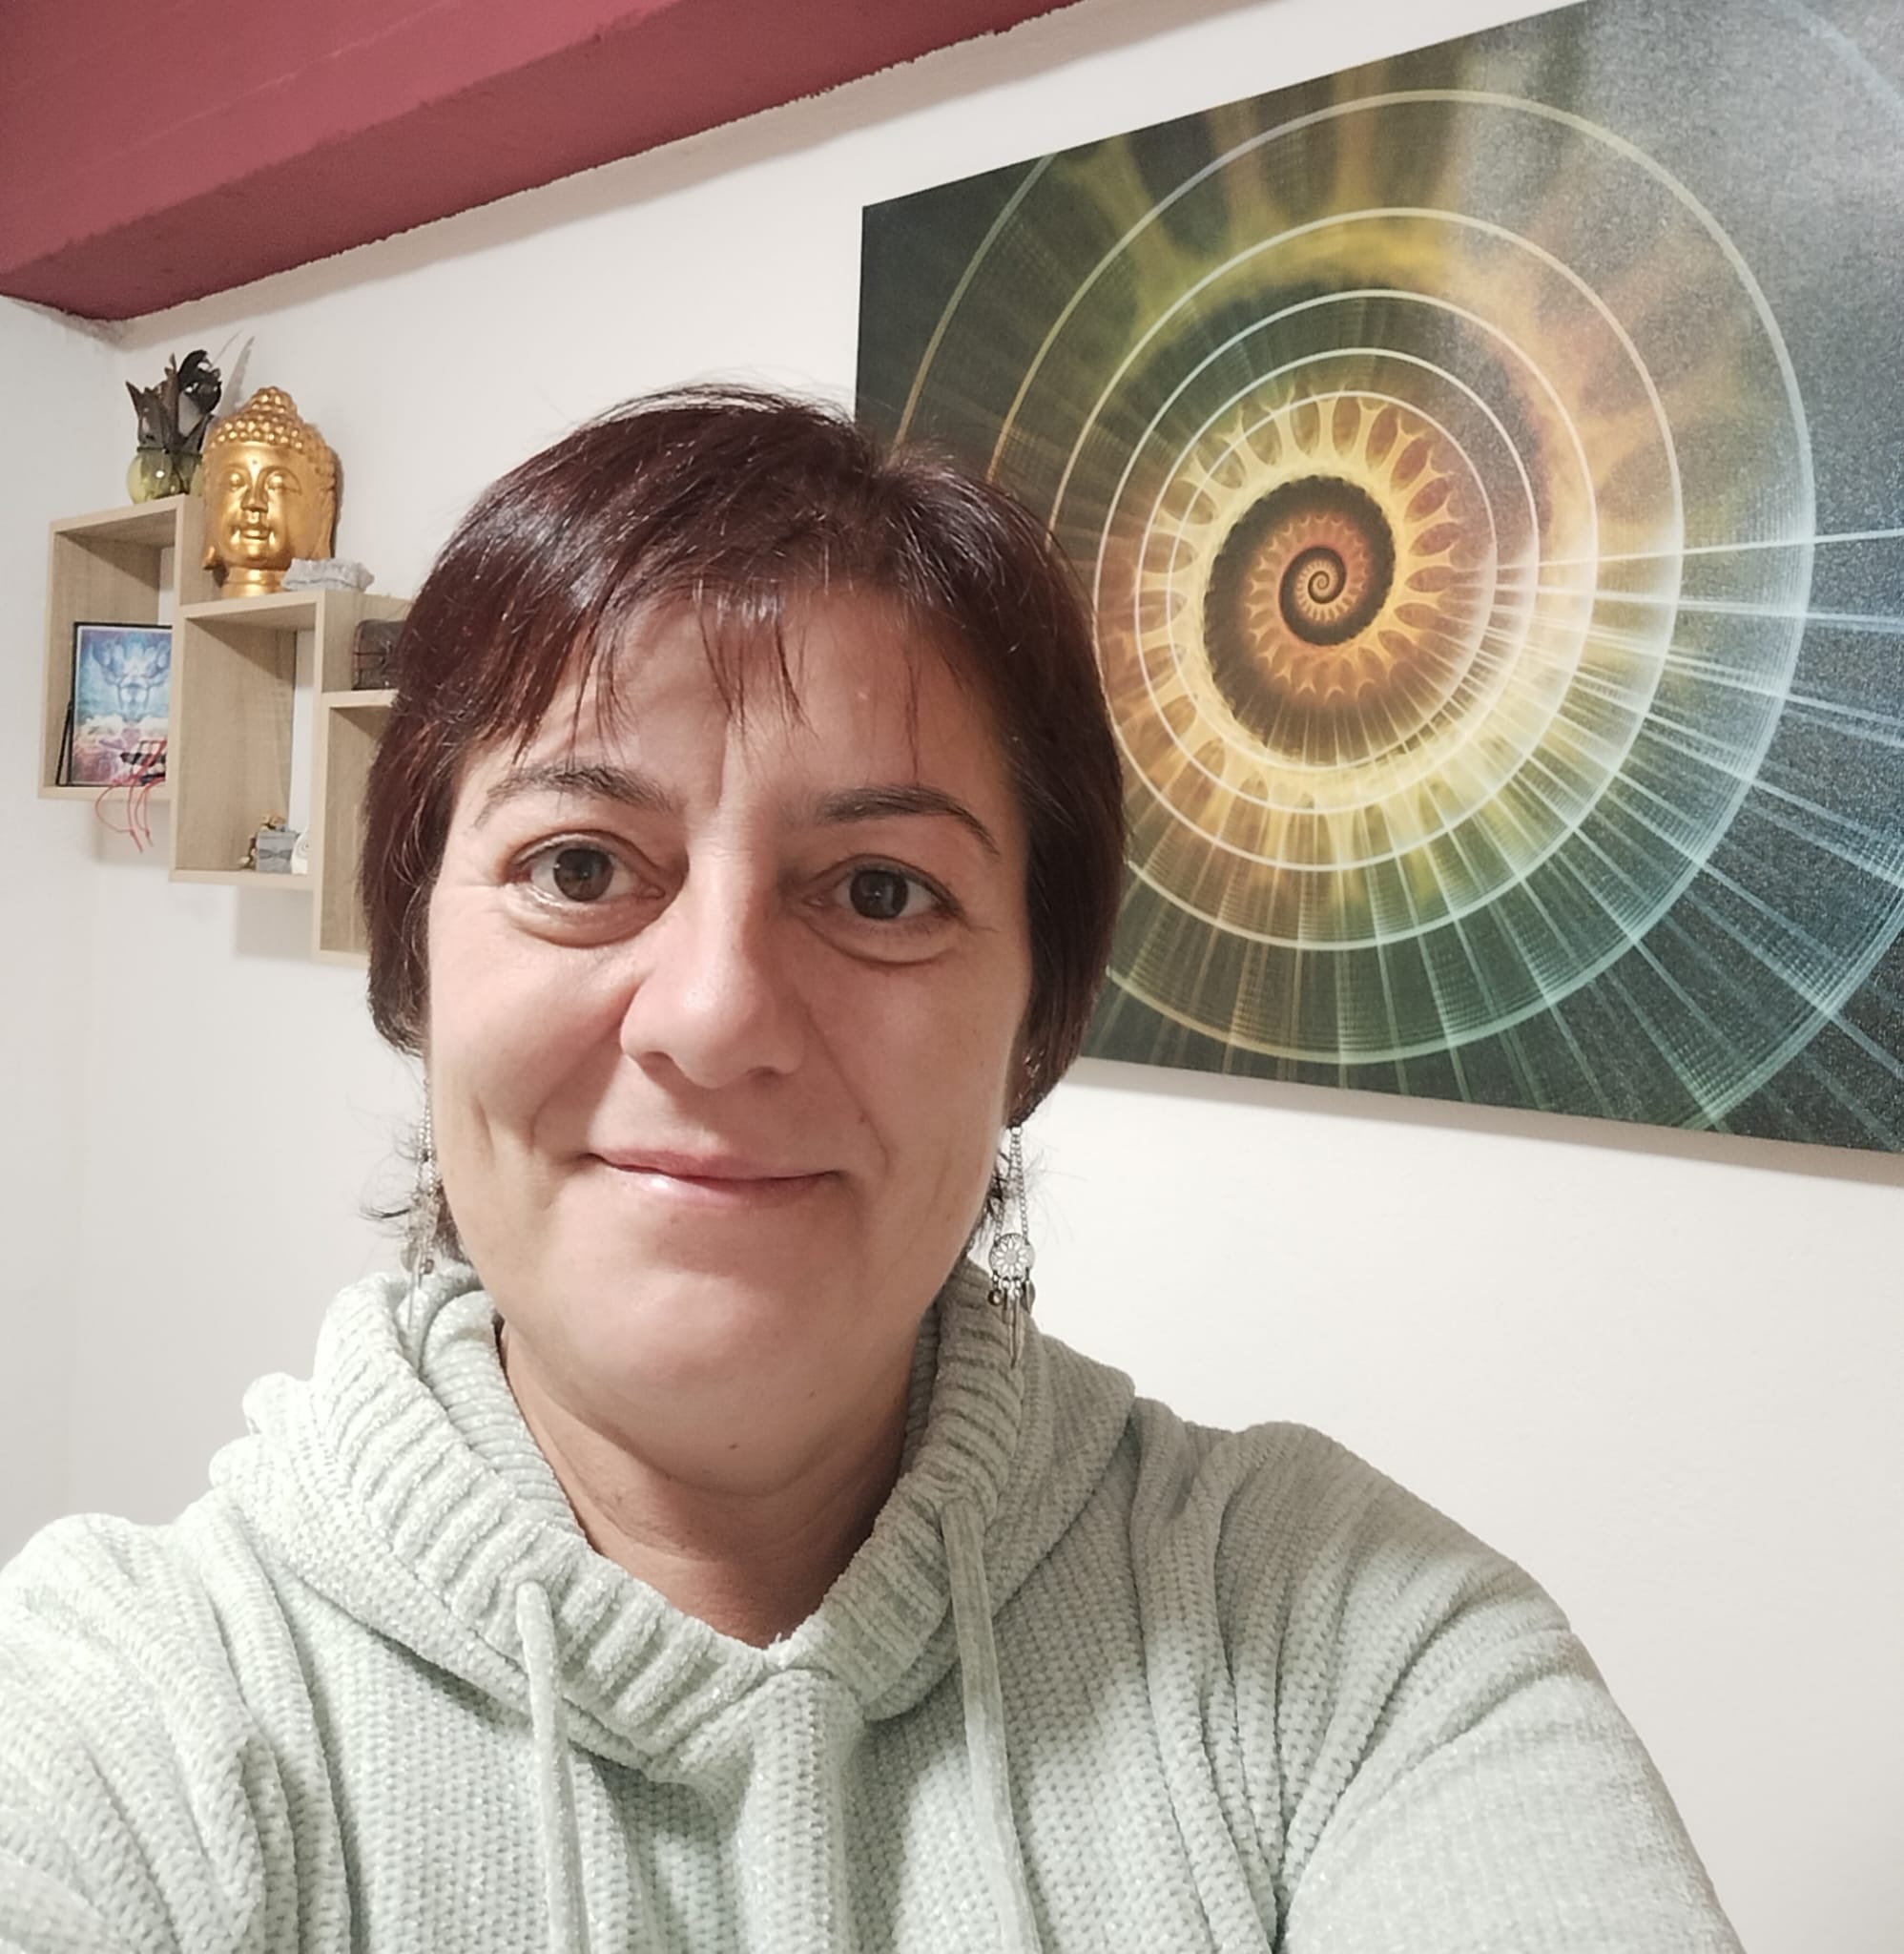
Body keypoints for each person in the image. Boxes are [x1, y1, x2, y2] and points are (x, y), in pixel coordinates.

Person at [0, 388, 1742, 1952]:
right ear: (416, 962)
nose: (715, 1016)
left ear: (1037, 1021)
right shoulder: (129, 1707)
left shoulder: (1361, 1652)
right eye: (583, 866)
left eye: (884, 892)